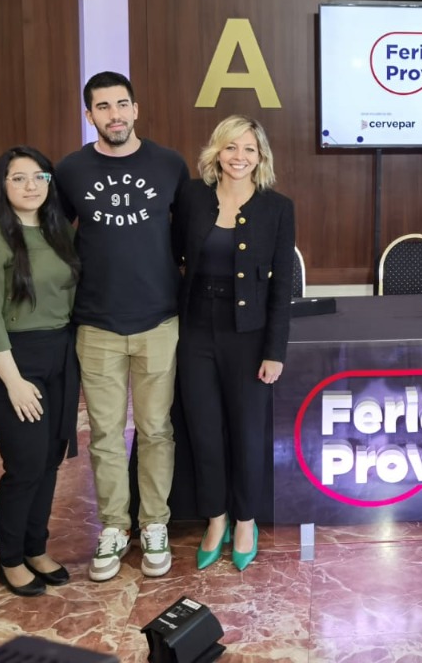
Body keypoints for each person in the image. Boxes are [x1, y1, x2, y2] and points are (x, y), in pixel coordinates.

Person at [55, 72, 189, 581]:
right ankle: (114, 526)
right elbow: (50, 236)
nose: (114, 114)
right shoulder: (70, 170)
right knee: (107, 434)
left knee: (156, 430)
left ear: (136, 109)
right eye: (102, 107)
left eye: (121, 104)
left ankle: (154, 522)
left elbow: (185, 234)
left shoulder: (169, 164)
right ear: (89, 115)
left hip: (159, 320)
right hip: (97, 324)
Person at [174, 116, 295, 570]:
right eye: (230, 148)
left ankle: (246, 519)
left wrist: (274, 351)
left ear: (260, 156)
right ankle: (216, 518)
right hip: (195, 331)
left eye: (248, 149)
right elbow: (173, 258)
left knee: (246, 431)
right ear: (216, 153)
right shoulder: (191, 196)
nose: (239, 157)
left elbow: (283, 286)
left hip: (249, 334)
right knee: (204, 430)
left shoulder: (277, 208)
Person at [0, 146, 81, 597]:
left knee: (51, 457)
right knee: (25, 464)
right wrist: (13, 382)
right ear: (3, 185)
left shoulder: (59, 234)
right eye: (18, 178)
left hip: (59, 354)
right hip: (9, 361)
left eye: (39, 177)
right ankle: (9, 558)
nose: (30, 186)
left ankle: (36, 547)